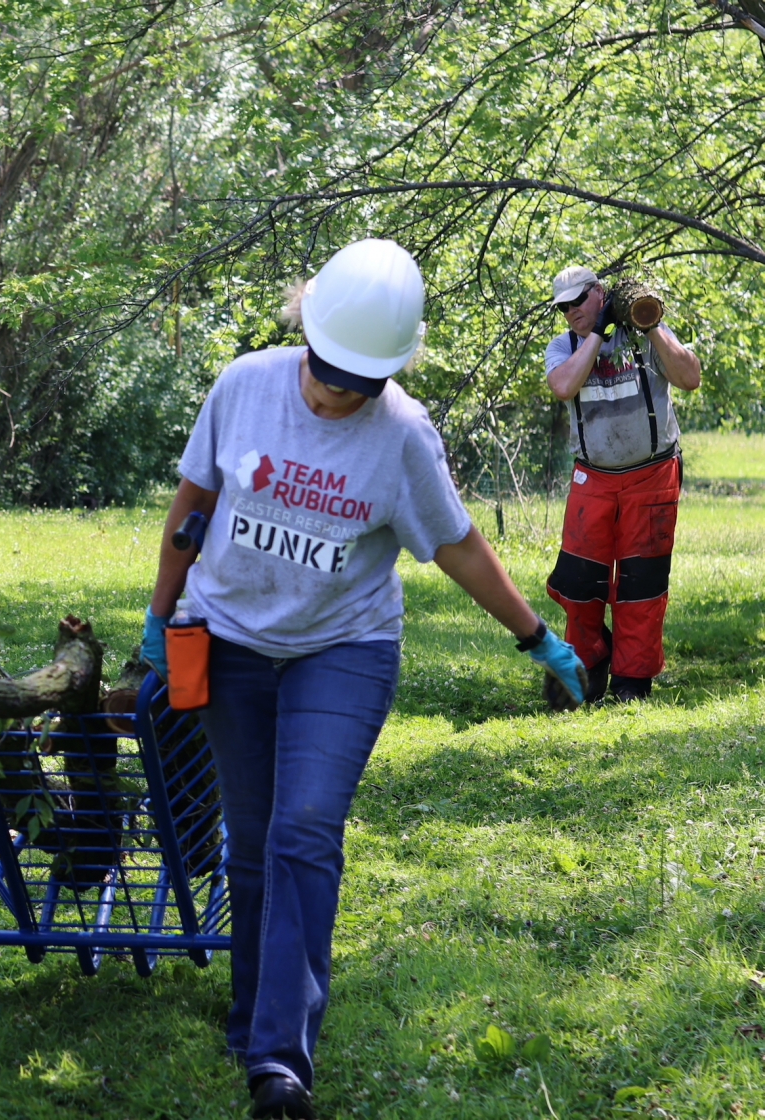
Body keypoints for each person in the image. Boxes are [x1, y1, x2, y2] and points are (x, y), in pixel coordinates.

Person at [139, 239, 586, 1120]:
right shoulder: (243, 387)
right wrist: (162, 619)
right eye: (326, 370)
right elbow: (192, 506)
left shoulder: (405, 436)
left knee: (305, 828)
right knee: (253, 837)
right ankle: (250, 1014)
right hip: (229, 639)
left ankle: (279, 1060)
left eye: (361, 382)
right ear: (304, 329)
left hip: (342, 648)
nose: (336, 393)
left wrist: (536, 634)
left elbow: (454, 542)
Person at [544, 266, 701, 704]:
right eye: (564, 307)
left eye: (579, 301)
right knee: (578, 582)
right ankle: (589, 663)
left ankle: (633, 682)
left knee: (641, 584)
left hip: (652, 475)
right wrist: (597, 329)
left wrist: (648, 325)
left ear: (600, 292)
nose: (571, 311)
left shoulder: (644, 335)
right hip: (592, 478)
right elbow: (563, 386)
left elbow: (690, 378)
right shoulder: (565, 347)